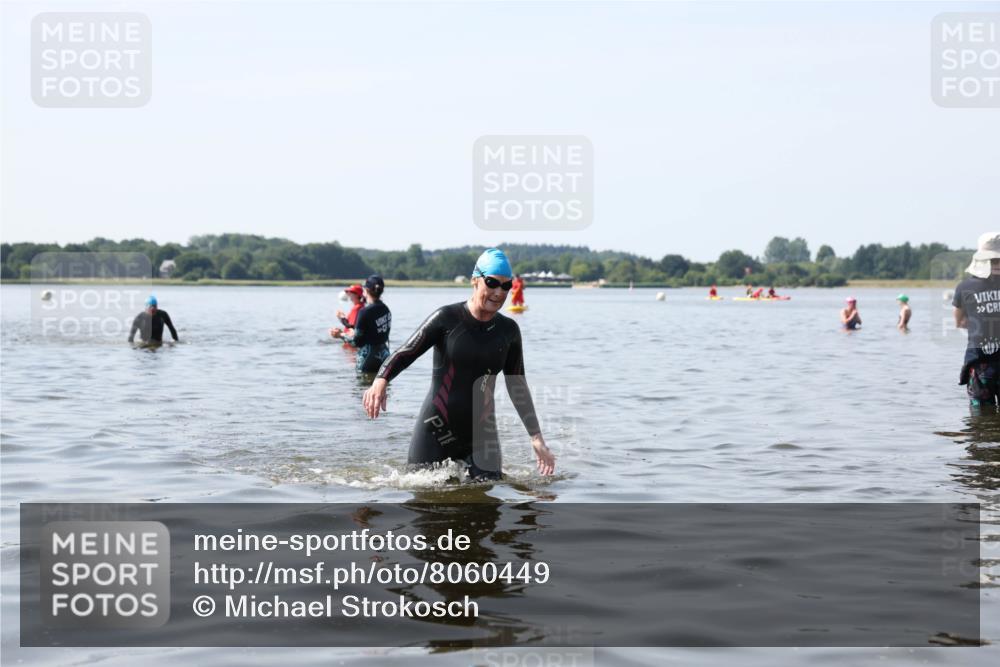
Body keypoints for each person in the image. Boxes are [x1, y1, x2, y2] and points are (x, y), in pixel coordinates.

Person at [362, 248, 555, 480]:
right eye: (492, 283)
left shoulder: (509, 331)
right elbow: (405, 352)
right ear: (475, 280)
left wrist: (536, 437)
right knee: (424, 501)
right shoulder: (447, 319)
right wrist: (381, 380)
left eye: (506, 286)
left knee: (487, 505)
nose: (498, 292)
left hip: (483, 435)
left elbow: (517, 385)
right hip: (436, 428)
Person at [952, 232, 1000, 409]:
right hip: (980, 364)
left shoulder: (965, 287)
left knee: (980, 423)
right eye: (994, 260)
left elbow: (959, 322)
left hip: (980, 363)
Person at [342, 276, 391, 373]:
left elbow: (356, 342)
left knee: (362, 387)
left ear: (366, 290)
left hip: (368, 357)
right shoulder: (386, 309)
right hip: (385, 356)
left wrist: (341, 335)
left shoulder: (364, 312)